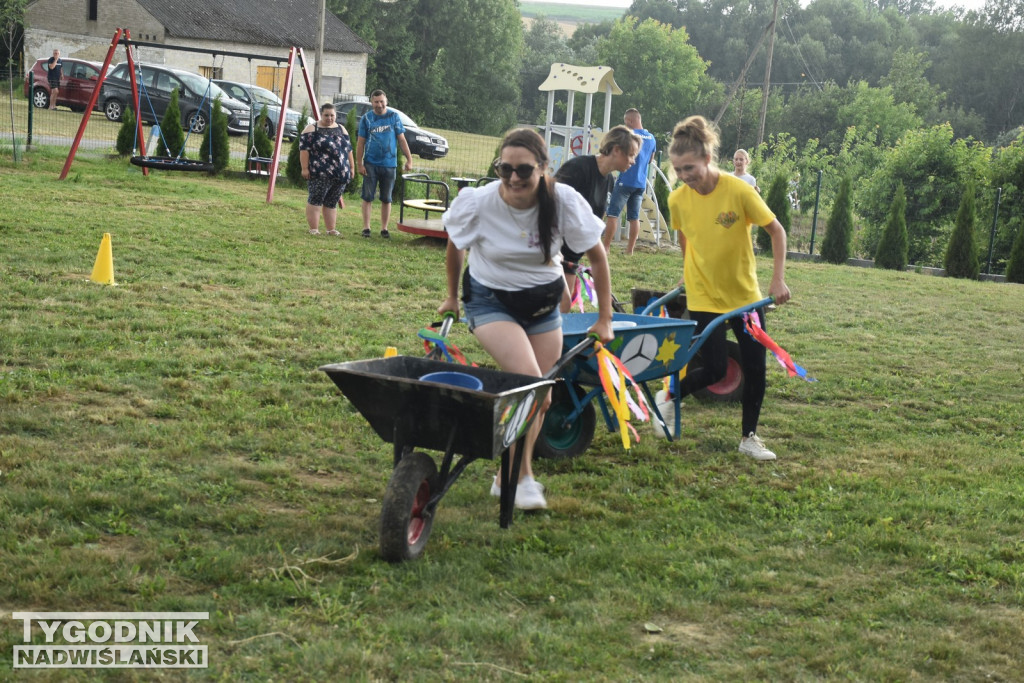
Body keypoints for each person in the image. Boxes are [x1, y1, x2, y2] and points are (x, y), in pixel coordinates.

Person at [437, 128, 614, 509]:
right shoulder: (480, 203)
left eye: (524, 170)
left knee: (544, 397)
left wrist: (605, 318)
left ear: (543, 169)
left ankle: (510, 477)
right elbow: (455, 244)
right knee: (532, 384)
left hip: (543, 305)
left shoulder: (564, 201)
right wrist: (452, 296)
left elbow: (598, 258)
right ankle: (522, 478)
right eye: (505, 169)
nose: (514, 178)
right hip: (490, 302)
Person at [666, 115, 791, 461]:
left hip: (745, 296)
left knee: (755, 367)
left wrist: (777, 279)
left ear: (707, 158)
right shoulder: (677, 199)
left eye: (690, 168)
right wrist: (684, 272)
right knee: (717, 368)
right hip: (703, 293)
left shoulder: (739, 191)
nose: (684, 176)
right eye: (678, 170)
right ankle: (671, 397)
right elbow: (684, 236)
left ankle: (749, 437)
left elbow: (776, 231)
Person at [554, 125, 640, 312]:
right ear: (616, 150)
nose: (633, 161)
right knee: (554, 309)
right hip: (552, 252)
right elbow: (548, 204)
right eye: (631, 155)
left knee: (562, 312)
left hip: (572, 256)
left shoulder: (609, 181)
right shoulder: (578, 168)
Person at [356, 90, 413, 239]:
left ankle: (384, 228)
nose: (379, 105)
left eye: (382, 101)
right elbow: (360, 143)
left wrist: (409, 159)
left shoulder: (394, 117)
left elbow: (401, 139)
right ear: (372, 102)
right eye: (376, 102)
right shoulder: (366, 119)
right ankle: (366, 228)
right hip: (370, 164)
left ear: (386, 101)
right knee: (367, 197)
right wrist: (359, 163)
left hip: (389, 164)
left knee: (387, 198)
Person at [603, 108, 657, 255]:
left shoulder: (629, 136)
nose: (625, 125)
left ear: (631, 121)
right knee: (634, 218)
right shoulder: (652, 138)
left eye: (626, 122)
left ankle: (606, 248)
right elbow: (650, 160)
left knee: (613, 214)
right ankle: (630, 250)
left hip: (625, 180)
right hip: (640, 184)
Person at [299, 103, 354, 236]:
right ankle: (314, 229)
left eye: (332, 115)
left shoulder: (342, 129)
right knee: (316, 199)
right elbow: (304, 150)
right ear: (321, 115)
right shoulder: (311, 129)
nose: (329, 118)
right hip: (319, 173)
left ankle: (331, 229)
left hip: (340, 174)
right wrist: (304, 168)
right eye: (326, 115)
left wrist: (352, 167)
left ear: (336, 115)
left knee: (332, 202)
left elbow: (349, 150)